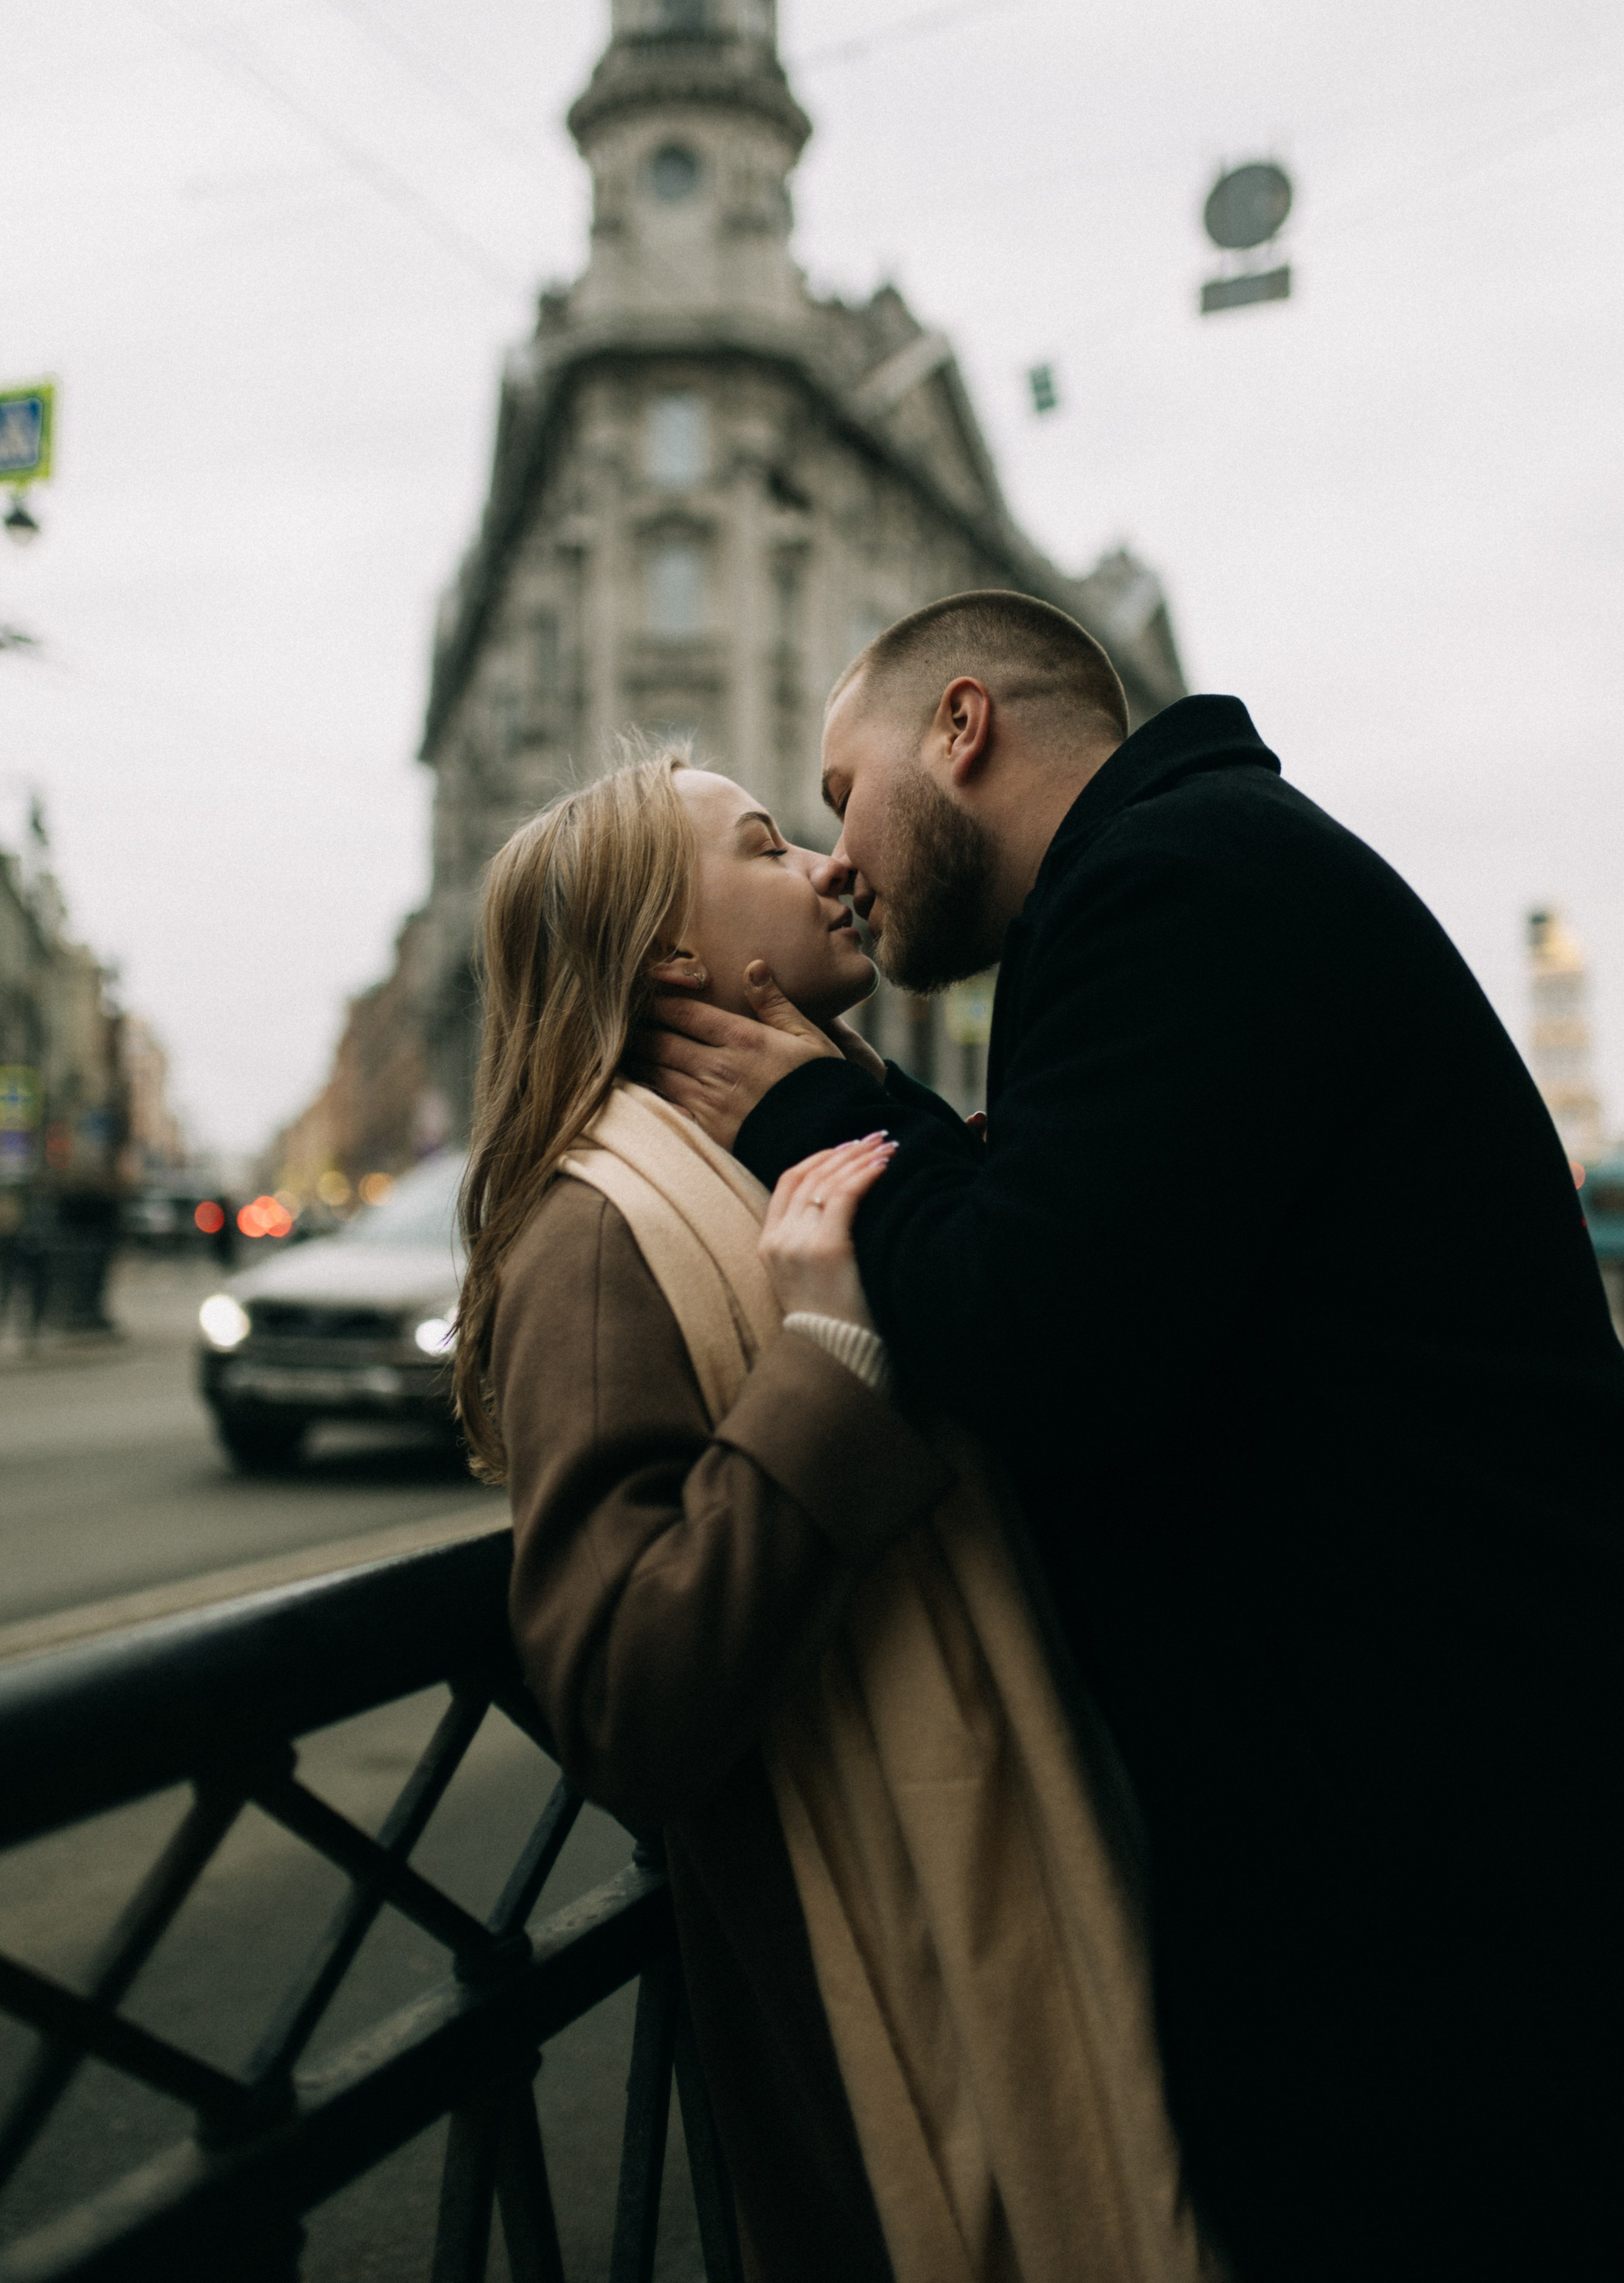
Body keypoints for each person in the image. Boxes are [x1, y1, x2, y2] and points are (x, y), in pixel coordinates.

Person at [640, 589, 1624, 2283]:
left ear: (963, 729)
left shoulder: (1175, 887)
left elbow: (1040, 1342)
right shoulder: (1200, 864)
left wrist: (811, 1108)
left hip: (1427, 1872)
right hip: (1438, 1817)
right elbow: (1092, 1256)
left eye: (838, 793)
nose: (837, 860)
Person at [455, 751, 1217, 2283]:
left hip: (1073, 1869)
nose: (829, 863)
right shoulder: (596, 1231)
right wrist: (831, 1360)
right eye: (765, 844)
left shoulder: (846, 1133)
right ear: (680, 956)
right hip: (892, 1993)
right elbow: (620, 1697)